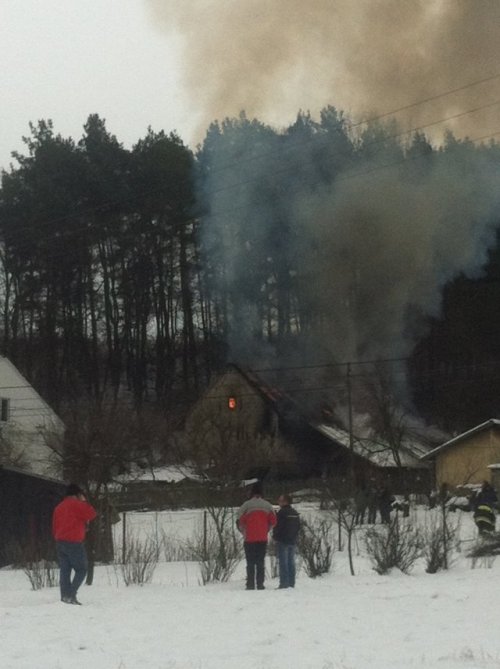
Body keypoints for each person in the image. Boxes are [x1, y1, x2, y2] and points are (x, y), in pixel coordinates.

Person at [52, 483, 97, 605]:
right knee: (81, 569)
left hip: (60, 541)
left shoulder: (59, 507)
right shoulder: (77, 505)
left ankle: (64, 596)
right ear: (78, 494)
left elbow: (55, 526)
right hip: (74, 542)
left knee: (65, 570)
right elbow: (92, 513)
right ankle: (71, 595)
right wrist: (83, 501)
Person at [237, 481, 276, 590]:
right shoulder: (267, 505)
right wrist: (266, 530)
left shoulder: (246, 505)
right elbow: (273, 521)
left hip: (249, 538)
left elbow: (240, 520)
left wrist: (243, 531)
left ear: (251, 493)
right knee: (260, 562)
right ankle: (260, 584)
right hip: (262, 538)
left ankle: (250, 584)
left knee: (250, 562)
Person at [273, 493, 300, 589]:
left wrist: (275, 536)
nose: (278, 502)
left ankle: (284, 583)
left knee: (283, 563)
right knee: (291, 562)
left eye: (280, 500)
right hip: (292, 540)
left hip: (282, 540)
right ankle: (291, 583)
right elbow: (298, 526)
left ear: (285, 502)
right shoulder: (294, 512)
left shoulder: (281, 513)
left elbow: (278, 526)